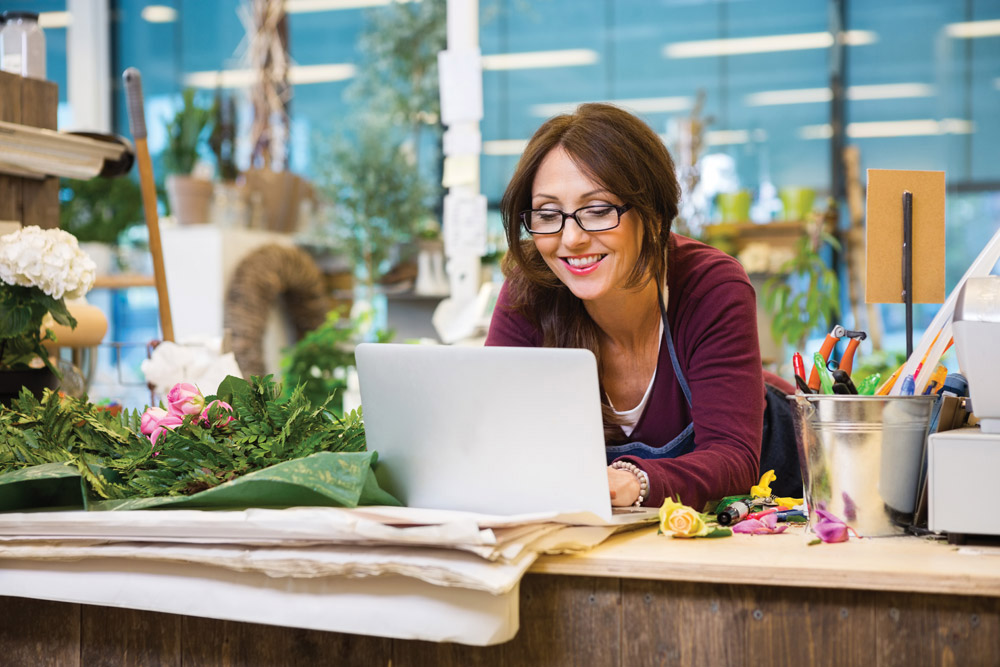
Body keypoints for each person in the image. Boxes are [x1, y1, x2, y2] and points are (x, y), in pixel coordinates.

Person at [485, 103, 799, 511]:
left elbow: (733, 459)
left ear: (651, 213)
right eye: (548, 214)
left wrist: (635, 481)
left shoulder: (710, 286)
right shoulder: (531, 291)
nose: (572, 238)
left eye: (597, 210)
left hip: (766, 510)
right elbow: (494, 436)